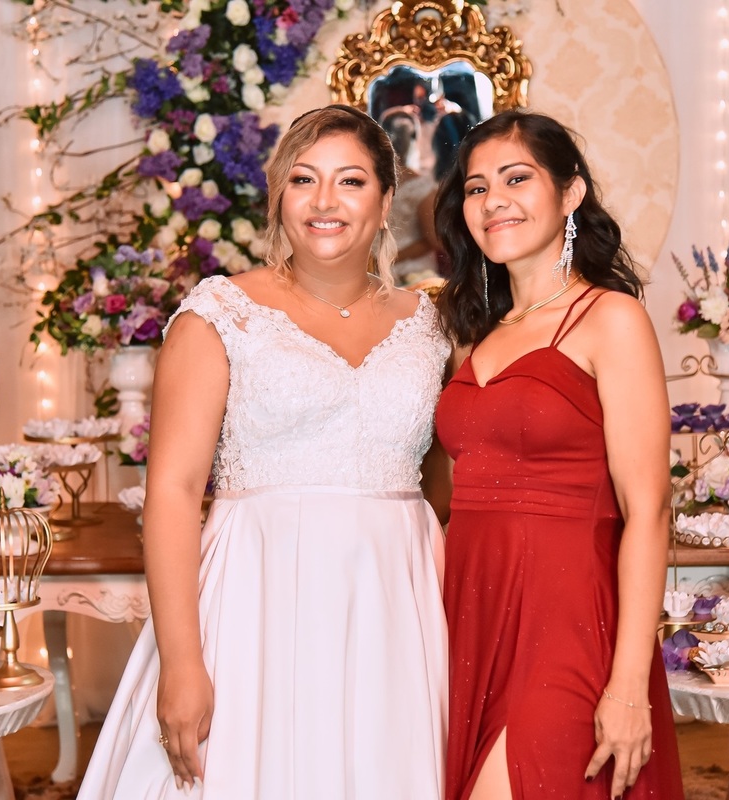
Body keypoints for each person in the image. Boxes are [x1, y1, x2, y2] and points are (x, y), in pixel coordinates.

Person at [78, 104, 450, 799]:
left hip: (397, 606)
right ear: (279, 198)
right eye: (303, 180)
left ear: (385, 202)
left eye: (350, 181)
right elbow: (173, 493)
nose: (325, 201)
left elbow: (446, 484)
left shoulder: (430, 326)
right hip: (257, 601)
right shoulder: (221, 314)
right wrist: (181, 663)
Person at [432, 110, 683, 800]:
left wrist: (628, 683)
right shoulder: (475, 336)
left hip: (567, 617)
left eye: (516, 179)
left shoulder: (611, 319)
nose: (494, 201)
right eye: (477, 188)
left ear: (571, 192)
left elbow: (649, 510)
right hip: (468, 616)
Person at [381, 109, 440, 284]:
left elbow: (433, 240)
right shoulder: (423, 187)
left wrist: (386, 259)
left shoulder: (421, 188)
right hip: (386, 268)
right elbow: (435, 240)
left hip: (409, 272)